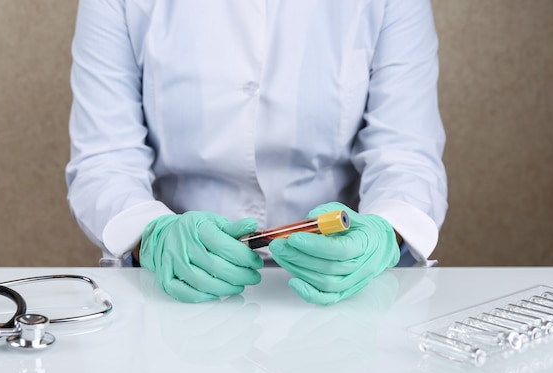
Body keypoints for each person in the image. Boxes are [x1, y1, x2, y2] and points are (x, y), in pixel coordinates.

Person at [65, 0, 448, 305]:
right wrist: (152, 235)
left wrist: (381, 234)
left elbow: (406, 152)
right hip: (175, 290)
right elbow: (105, 158)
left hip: (338, 296)